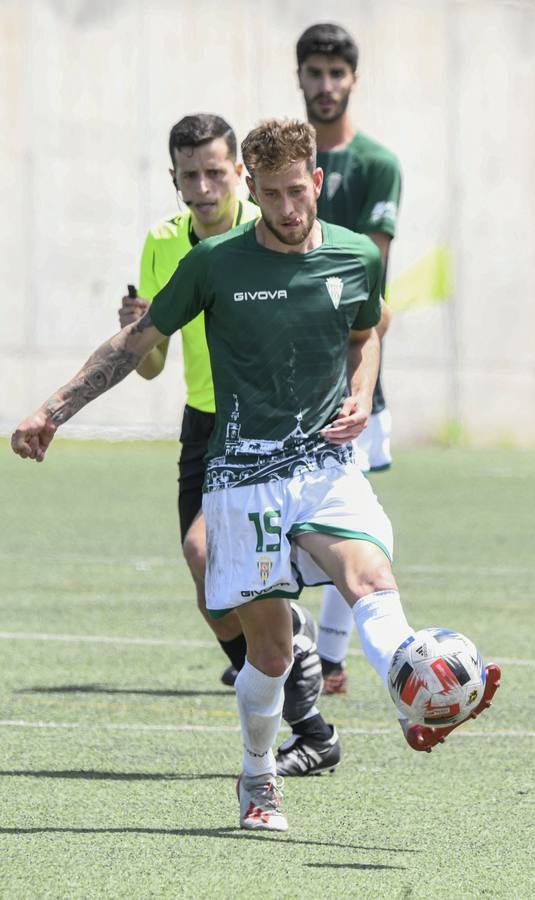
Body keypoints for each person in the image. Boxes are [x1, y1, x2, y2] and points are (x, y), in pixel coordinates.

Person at [12, 119, 492, 833]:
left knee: (372, 582)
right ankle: (259, 775)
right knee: (267, 652)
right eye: (271, 196)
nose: (288, 210)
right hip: (243, 476)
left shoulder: (357, 256)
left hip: (326, 463)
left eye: (297, 192)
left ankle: (416, 690)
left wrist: (362, 390)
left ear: (317, 183)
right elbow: (137, 342)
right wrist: (54, 409)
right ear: (252, 188)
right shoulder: (217, 263)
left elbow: (367, 333)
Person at [118, 112, 340, 777]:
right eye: (191, 175)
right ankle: (308, 718)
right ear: (175, 179)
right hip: (205, 426)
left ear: (240, 173)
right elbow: (152, 363)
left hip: (270, 426)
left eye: (216, 172)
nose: (204, 187)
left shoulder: (268, 232)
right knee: (210, 590)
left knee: (207, 553)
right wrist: (136, 333)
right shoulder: (164, 244)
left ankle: (294, 712)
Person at [296, 22, 402, 695]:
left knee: (351, 510)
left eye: (337, 73)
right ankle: (294, 644)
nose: (326, 85)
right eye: (315, 72)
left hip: (352, 369)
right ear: (300, 77)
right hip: (284, 380)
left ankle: (331, 655)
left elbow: (364, 275)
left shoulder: (376, 164)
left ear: (353, 79)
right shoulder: (280, 158)